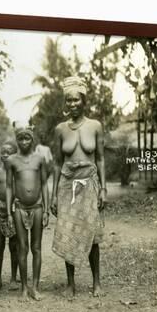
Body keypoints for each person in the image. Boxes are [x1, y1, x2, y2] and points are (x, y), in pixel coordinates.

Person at [50, 76, 106, 298]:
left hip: (90, 183)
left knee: (92, 235)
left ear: (84, 100)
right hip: (66, 185)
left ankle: (96, 283)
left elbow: (100, 158)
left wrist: (103, 188)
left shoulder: (95, 126)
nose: (72, 104)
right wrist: (54, 195)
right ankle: (70, 284)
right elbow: (56, 163)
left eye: (76, 100)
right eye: (69, 100)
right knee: (67, 232)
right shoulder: (60, 129)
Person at [5, 127, 49, 301]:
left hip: (37, 206)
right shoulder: (11, 161)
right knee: (21, 247)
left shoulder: (39, 159)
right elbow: (9, 186)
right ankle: (24, 287)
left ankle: (35, 287)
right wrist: (8, 213)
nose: (24, 142)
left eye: (27, 139)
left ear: (33, 140)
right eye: (21, 139)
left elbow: (44, 183)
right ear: (17, 141)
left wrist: (46, 210)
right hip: (19, 207)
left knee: (36, 248)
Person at [0, 141, 19, 292]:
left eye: (9, 152)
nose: (5, 155)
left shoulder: (18, 172)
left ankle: (14, 278)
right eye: (3, 152)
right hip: (0, 211)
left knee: (14, 246)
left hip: (14, 212)